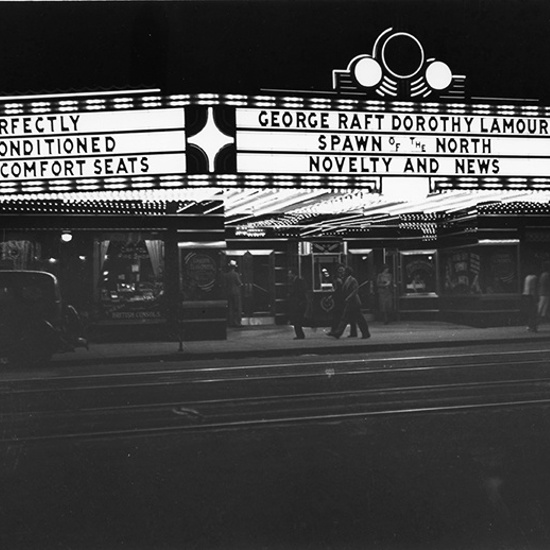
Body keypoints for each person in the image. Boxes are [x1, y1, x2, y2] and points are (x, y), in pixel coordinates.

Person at [328, 266, 371, 339]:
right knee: (349, 318)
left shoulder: (352, 280)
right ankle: (359, 333)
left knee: (356, 319)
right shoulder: (346, 280)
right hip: (350, 302)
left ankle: (339, 332)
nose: (343, 273)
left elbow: (355, 291)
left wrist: (348, 297)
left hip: (354, 302)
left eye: (345, 272)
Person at [329, 264, 357, 337]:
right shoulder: (337, 278)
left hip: (345, 298)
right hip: (340, 298)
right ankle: (336, 331)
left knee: (347, 316)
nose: (341, 272)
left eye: (343, 270)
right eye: (340, 270)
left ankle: (338, 332)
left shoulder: (348, 279)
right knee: (342, 316)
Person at [287, 269, 307, 339]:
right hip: (298, 302)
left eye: (289, 274)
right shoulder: (296, 281)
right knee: (297, 319)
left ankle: (300, 335)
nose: (288, 275)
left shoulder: (298, 281)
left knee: (297, 319)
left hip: (299, 303)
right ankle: (300, 334)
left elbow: (300, 292)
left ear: (293, 274)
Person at [225, 260, 243, 327]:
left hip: (229, 292)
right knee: (237, 307)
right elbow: (239, 283)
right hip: (236, 293)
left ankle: (231, 322)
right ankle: (237, 322)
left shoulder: (226, 275)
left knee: (230, 308)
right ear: (234, 267)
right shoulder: (236, 274)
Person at [523, 267, 539, 333]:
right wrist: (536, 298)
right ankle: (533, 327)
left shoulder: (527, 277)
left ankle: (529, 326)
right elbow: (534, 288)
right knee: (534, 312)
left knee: (529, 312)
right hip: (531, 296)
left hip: (525, 295)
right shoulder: (534, 277)